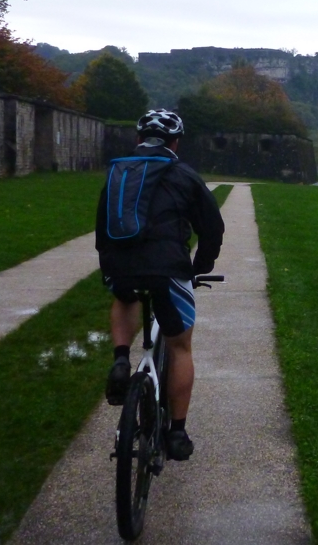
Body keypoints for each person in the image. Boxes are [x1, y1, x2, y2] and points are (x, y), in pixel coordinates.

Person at [96, 109, 225, 461]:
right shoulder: (184, 174)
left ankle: (121, 360)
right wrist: (199, 267)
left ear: (138, 139)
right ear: (175, 143)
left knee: (124, 297)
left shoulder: (118, 172)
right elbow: (212, 228)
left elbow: (102, 224)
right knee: (180, 347)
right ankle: (177, 433)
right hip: (167, 268)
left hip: (120, 264)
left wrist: (109, 265)